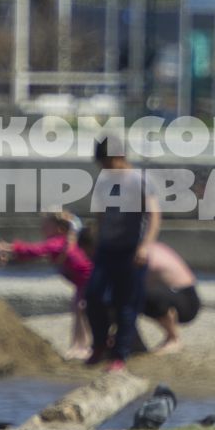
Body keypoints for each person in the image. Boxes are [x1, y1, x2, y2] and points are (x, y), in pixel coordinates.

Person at [85, 132, 160, 372]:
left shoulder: (139, 180)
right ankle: (98, 345)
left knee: (125, 304)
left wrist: (145, 245)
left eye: (108, 163)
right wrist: (95, 241)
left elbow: (154, 216)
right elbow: (99, 213)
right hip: (106, 249)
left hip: (131, 251)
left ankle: (120, 355)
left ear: (120, 156)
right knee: (93, 296)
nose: (105, 169)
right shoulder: (105, 181)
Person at [0, 209, 93, 360]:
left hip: (90, 279)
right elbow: (33, 254)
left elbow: (36, 250)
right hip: (81, 282)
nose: (42, 228)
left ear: (58, 228)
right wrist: (11, 252)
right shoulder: (62, 242)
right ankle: (78, 346)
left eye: (46, 225)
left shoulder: (60, 242)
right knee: (77, 309)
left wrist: (9, 247)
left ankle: (82, 347)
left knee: (80, 309)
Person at [138, 240, 201, 353]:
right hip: (185, 295)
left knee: (140, 295)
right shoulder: (149, 246)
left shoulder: (142, 253)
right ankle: (133, 340)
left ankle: (174, 339)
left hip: (185, 301)